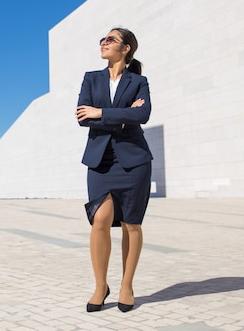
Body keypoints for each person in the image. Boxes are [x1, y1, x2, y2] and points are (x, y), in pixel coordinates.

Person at [75, 27, 153, 313]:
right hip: (100, 160)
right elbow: (83, 116)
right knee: (100, 220)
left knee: (132, 223)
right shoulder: (91, 78)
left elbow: (143, 115)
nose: (104, 43)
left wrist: (102, 113)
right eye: (102, 40)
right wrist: (121, 117)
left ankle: (126, 285)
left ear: (126, 48)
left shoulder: (138, 80)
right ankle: (100, 286)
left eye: (110, 40)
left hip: (134, 161)